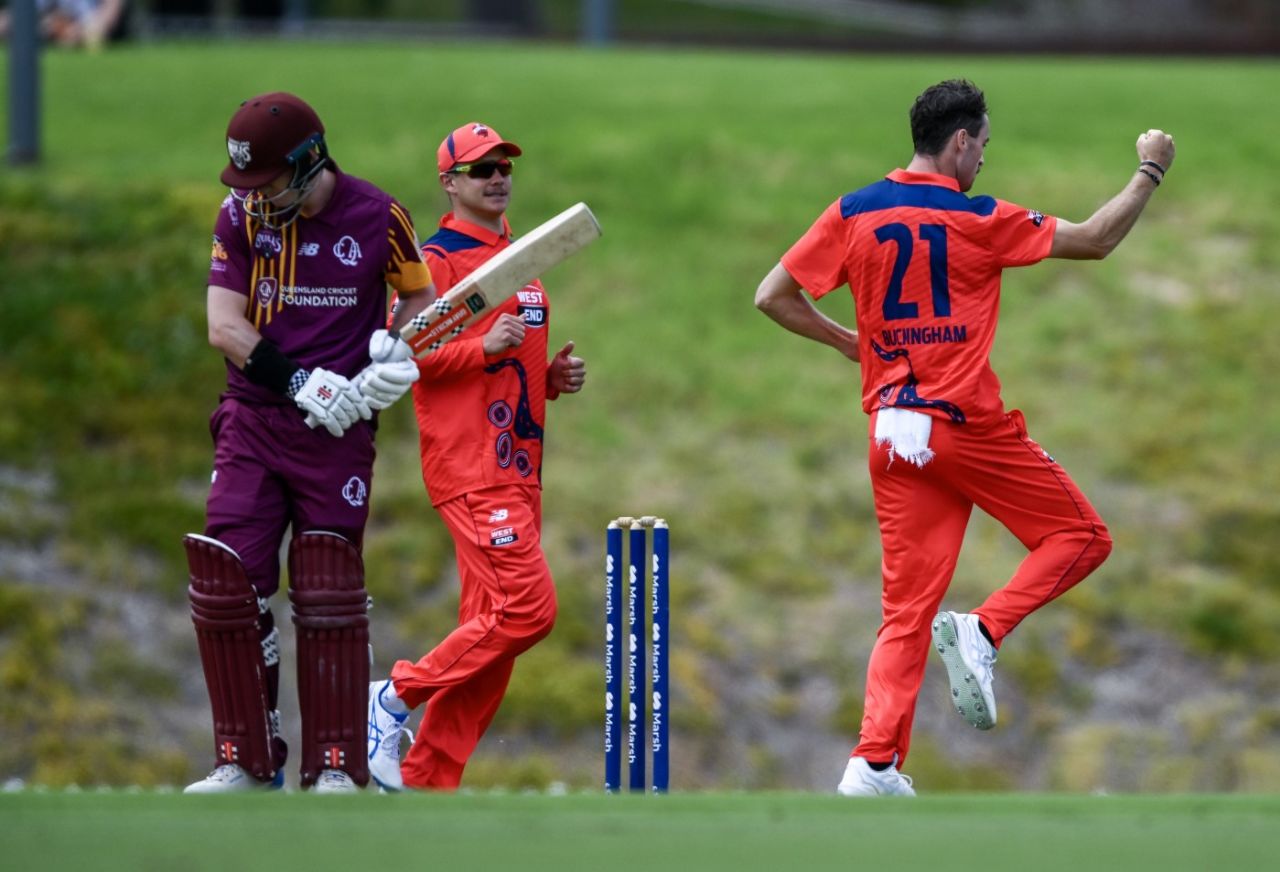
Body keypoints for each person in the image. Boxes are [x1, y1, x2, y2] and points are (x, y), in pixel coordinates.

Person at [754, 79, 1175, 797]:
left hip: (891, 433)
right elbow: (1098, 239)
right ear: (959, 142)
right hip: (960, 425)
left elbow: (772, 295)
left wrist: (849, 344)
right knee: (1080, 537)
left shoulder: (852, 210)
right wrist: (1150, 169)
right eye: (982, 147)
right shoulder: (978, 216)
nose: (983, 160)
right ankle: (983, 630)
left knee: (904, 612)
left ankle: (873, 764)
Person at [184, 91, 437, 794]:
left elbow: (421, 299)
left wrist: (392, 358)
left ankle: (338, 765)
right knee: (228, 577)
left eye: (266, 183)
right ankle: (244, 759)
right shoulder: (239, 218)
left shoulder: (379, 216)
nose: (253, 199)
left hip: (340, 434)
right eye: (246, 185)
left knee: (328, 581)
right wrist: (302, 383)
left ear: (308, 162)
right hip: (256, 419)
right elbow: (224, 327)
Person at [365, 122, 586, 791]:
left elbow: (508, 363)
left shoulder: (519, 256)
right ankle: (393, 697)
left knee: (490, 635)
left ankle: (431, 781)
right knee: (527, 612)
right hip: (470, 466)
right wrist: (480, 350)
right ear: (450, 183)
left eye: (504, 166)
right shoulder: (435, 263)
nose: (497, 177)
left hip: (519, 468)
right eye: (481, 168)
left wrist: (548, 377)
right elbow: (399, 357)